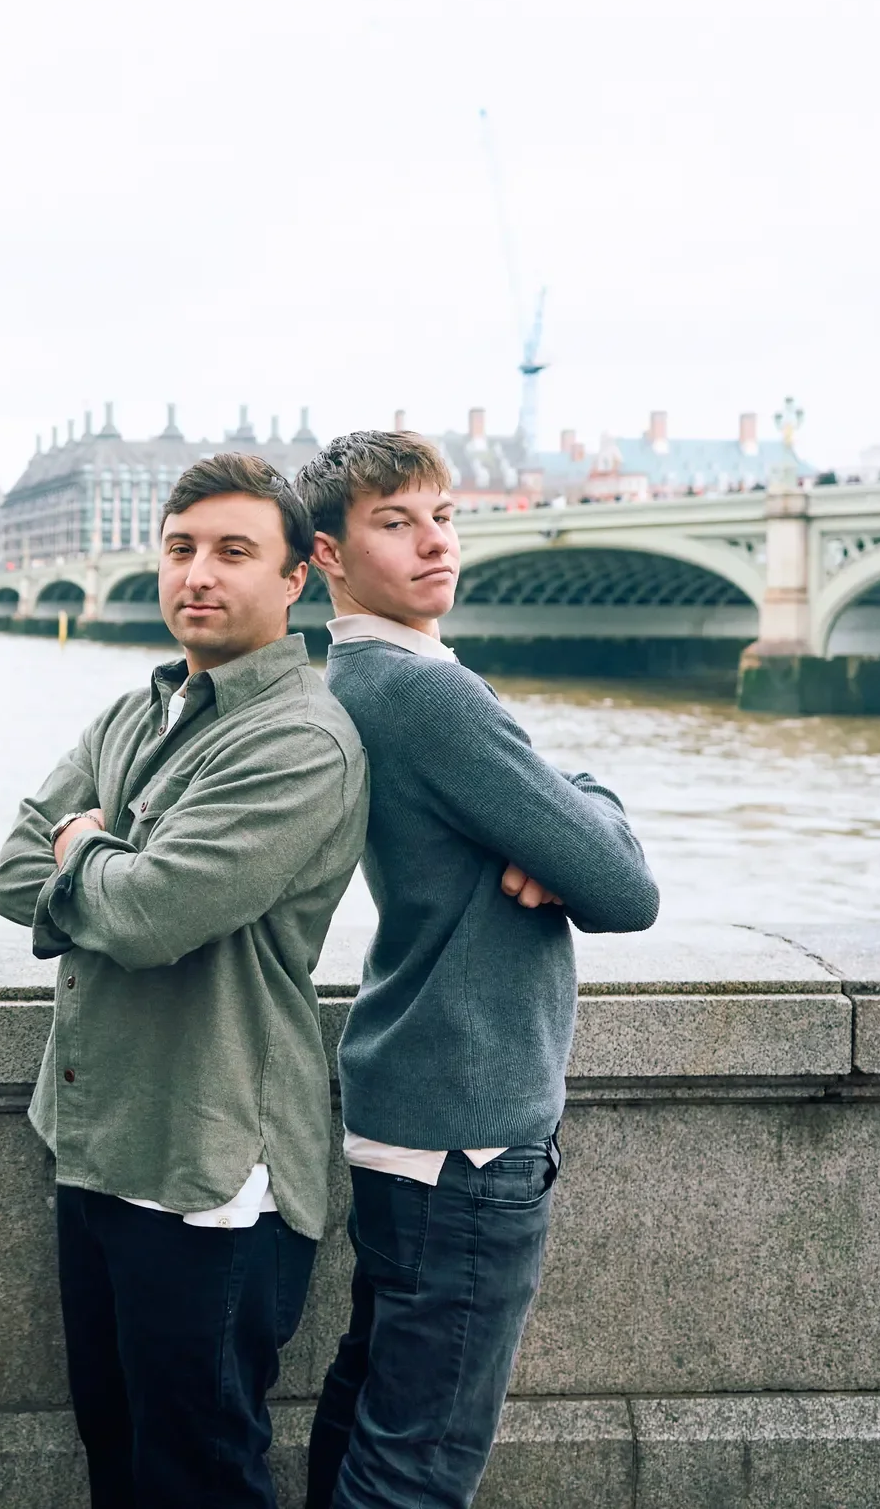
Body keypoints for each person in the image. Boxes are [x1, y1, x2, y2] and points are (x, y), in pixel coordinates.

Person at [0, 451, 368, 1508]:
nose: (198, 575)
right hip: (96, 1142)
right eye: (180, 549)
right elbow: (11, 872)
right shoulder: (133, 710)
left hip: (212, 1172)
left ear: (296, 577)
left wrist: (85, 853)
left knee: (198, 1476)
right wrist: (95, 861)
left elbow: (153, 916)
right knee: (117, 1462)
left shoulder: (300, 738)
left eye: (234, 553)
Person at [295, 431, 660, 1509]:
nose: (432, 543)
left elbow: (573, 864)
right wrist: (577, 800)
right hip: (470, 1125)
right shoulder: (428, 696)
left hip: (408, 1098)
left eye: (442, 516)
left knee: (367, 1411)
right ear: (327, 553)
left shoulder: (357, 675)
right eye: (394, 523)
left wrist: (546, 824)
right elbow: (623, 891)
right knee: (417, 1468)